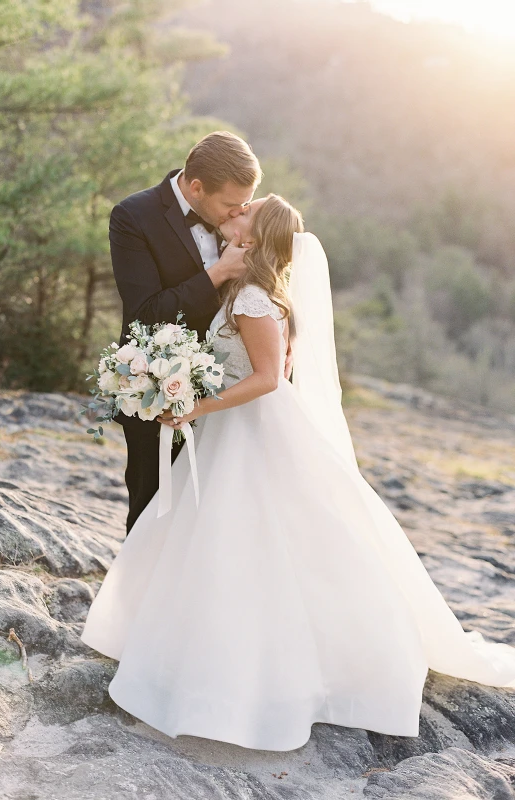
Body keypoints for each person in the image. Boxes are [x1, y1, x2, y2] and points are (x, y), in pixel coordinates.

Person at [81, 194, 515, 752]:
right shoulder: (246, 288)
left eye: (244, 213)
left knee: (256, 536)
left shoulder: (256, 298)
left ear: (256, 238)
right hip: (236, 429)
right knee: (227, 539)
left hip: (254, 428)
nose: (231, 214)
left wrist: (195, 407)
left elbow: (265, 379)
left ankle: (266, 673)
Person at [109, 130, 266, 534]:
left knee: (221, 518)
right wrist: (219, 273)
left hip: (231, 397)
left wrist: (284, 343)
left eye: (245, 204)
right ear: (196, 188)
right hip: (158, 389)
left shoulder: (242, 214)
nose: (239, 214)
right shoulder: (132, 217)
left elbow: (275, 287)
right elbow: (144, 314)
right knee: (153, 510)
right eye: (231, 205)